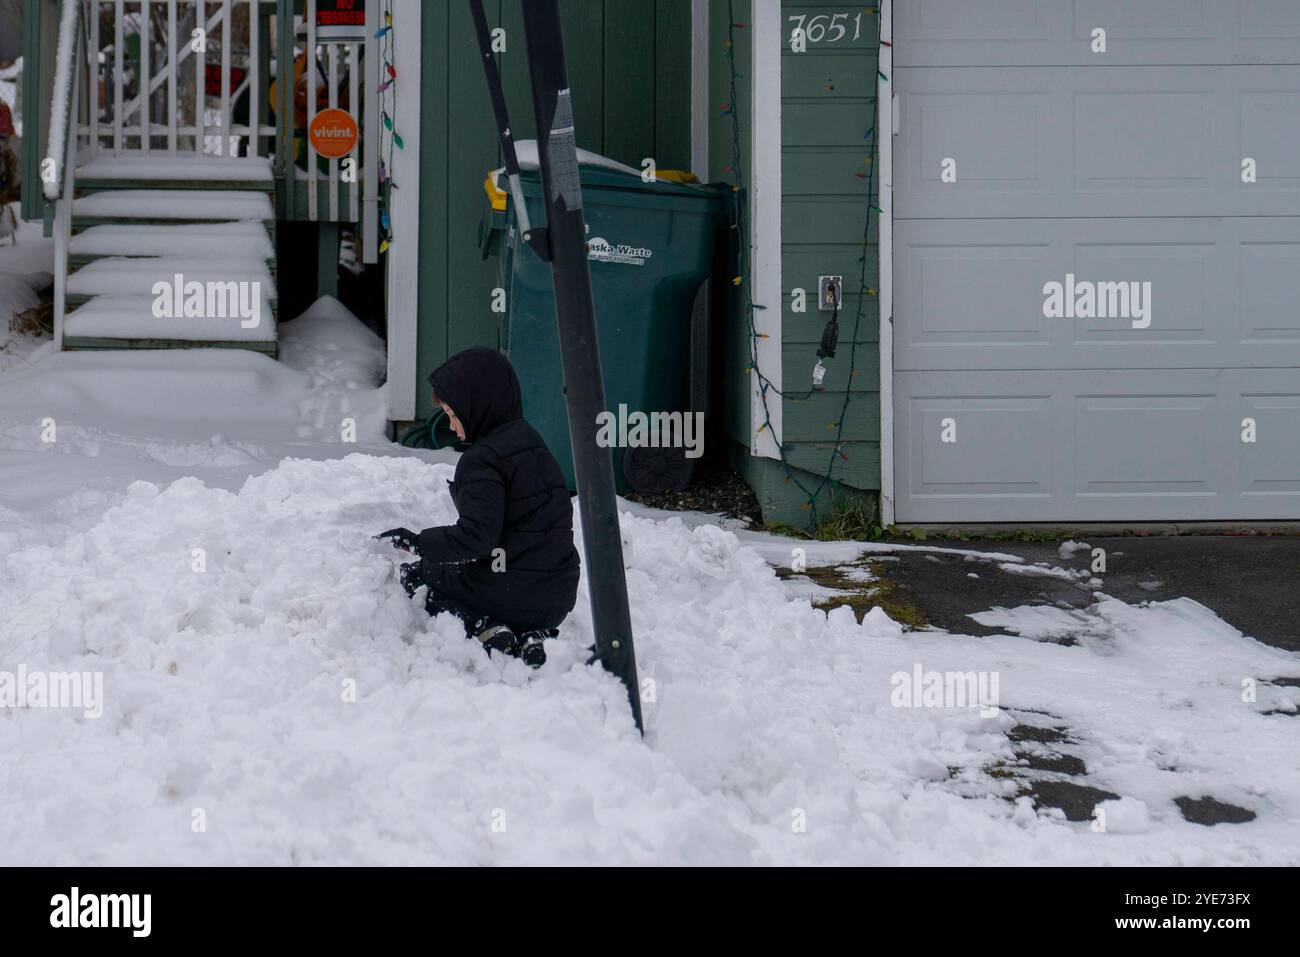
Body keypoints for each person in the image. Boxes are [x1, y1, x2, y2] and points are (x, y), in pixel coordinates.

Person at [377, 347, 580, 667]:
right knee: (493, 576)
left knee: (418, 575)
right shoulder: (533, 443)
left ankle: (483, 626)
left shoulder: (481, 460)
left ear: (478, 407)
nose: (454, 428)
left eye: (454, 416)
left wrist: (419, 543)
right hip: (558, 596)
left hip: (510, 591)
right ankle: (531, 635)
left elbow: (477, 538)